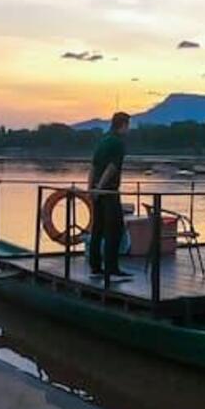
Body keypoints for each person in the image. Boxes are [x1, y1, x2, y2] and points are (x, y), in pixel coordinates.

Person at [88, 112, 133, 282]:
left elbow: (93, 165)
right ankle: (111, 268)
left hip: (97, 192)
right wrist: (100, 188)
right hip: (109, 192)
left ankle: (95, 266)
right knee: (115, 229)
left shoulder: (103, 140)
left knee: (97, 228)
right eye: (127, 125)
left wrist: (91, 188)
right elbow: (112, 168)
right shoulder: (118, 144)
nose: (128, 129)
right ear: (122, 125)